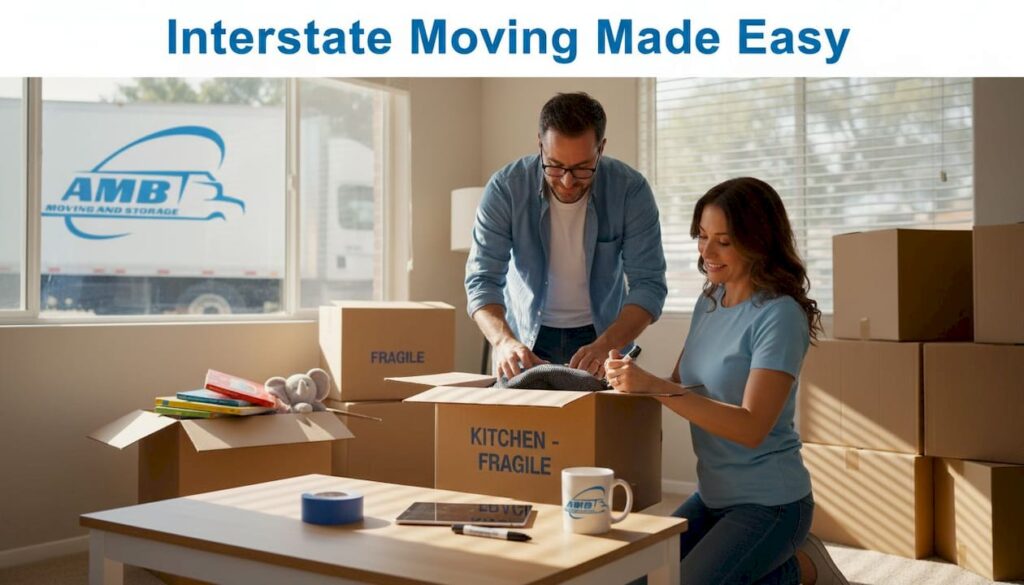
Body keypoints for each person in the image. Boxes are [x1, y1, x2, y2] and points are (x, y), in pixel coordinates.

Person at [604, 177, 848, 585]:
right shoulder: (710, 300)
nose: (707, 252)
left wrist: (654, 386)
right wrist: (628, 380)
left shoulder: (779, 316)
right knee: (636, 579)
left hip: (771, 504)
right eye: (702, 236)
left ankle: (801, 570)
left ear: (758, 242)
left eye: (724, 241)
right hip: (712, 494)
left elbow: (751, 426)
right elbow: (681, 382)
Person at [465, 92, 668, 380]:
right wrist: (502, 341)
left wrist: (608, 344)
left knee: (607, 426)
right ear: (540, 145)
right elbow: (481, 279)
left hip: (603, 339)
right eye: (555, 165)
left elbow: (649, 285)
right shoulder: (506, 189)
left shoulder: (630, 191)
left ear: (601, 148)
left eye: (583, 167)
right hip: (525, 340)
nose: (568, 181)